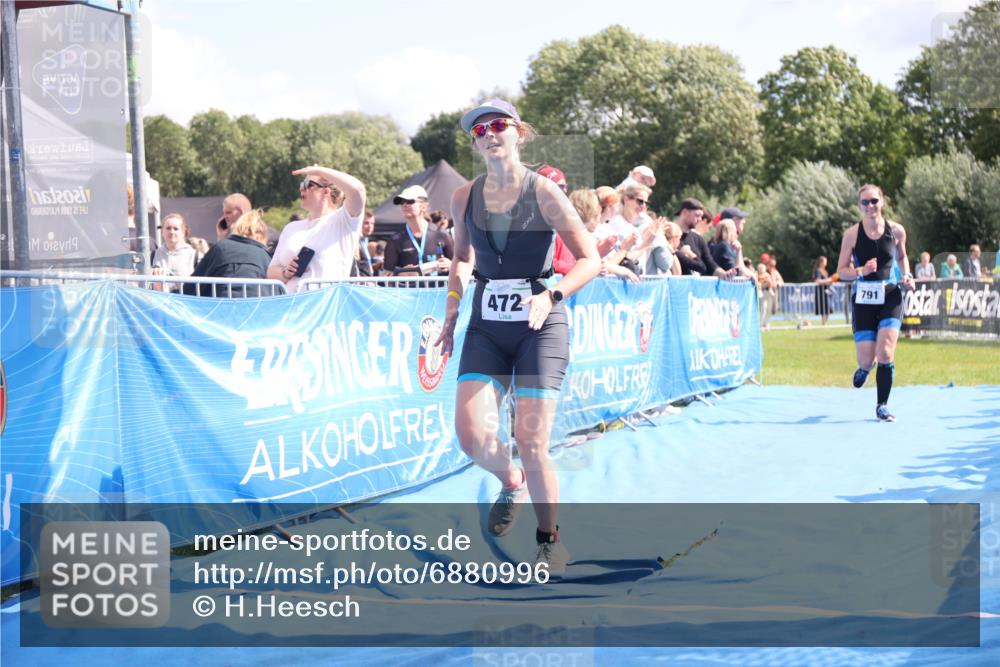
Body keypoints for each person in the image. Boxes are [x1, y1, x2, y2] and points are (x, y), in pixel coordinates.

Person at [435, 99, 600, 574]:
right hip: (487, 324)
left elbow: (589, 259)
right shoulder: (464, 196)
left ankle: (549, 540)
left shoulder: (544, 191)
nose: (489, 133)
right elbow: (462, 258)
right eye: (479, 130)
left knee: (531, 441)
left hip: (539, 326)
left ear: (519, 132)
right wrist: (452, 307)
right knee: (471, 437)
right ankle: (512, 482)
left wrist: (552, 295)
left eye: (498, 125)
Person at [836, 184, 915, 422]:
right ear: (859, 205)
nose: (870, 206)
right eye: (865, 202)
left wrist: (907, 275)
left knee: (886, 352)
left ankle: (882, 405)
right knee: (866, 359)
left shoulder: (896, 231)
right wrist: (861, 270)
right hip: (864, 299)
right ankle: (864, 368)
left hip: (890, 296)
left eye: (874, 201)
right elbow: (841, 271)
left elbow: (902, 256)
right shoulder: (852, 235)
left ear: (882, 201)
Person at [267, 165, 366, 292]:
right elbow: (271, 271)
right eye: (301, 185)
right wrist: (285, 273)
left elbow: (358, 190)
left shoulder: (343, 220)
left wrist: (319, 170)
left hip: (326, 303)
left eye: (308, 184)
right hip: (292, 302)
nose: (302, 189)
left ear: (326, 192)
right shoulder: (291, 228)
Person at [184, 209, 272, 297]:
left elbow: (191, 287)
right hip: (257, 304)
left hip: (222, 303)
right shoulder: (265, 256)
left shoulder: (221, 247)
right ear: (261, 237)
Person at [382, 185, 454, 278]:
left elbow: (460, 264)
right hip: (410, 288)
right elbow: (386, 276)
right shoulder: (396, 239)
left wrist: (450, 265)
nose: (404, 205)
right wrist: (402, 274)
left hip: (438, 287)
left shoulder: (441, 234)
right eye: (402, 202)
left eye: (410, 201)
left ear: (424, 206)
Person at [674, 198, 733, 278]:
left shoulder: (697, 238)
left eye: (701, 216)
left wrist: (725, 274)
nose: (700, 219)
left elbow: (710, 264)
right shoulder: (669, 235)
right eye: (697, 215)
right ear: (685, 212)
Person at [151, 214, 199, 290]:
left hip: (184, 297)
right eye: (168, 228)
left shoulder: (194, 255)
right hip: (159, 297)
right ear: (162, 231)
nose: (172, 232)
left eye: (176, 229)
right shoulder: (154, 254)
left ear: (183, 232)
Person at [356, 209, 378, 277]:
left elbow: (364, 265)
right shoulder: (355, 242)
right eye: (366, 223)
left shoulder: (365, 241)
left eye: (372, 223)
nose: (370, 226)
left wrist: (376, 266)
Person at [813, 255, 834, 326]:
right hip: (821, 293)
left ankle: (824, 323)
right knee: (824, 309)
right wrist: (828, 280)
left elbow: (826, 281)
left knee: (828, 309)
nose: (826, 263)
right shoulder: (818, 270)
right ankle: (823, 324)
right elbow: (817, 281)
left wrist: (831, 281)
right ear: (820, 262)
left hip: (826, 292)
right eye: (825, 262)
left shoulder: (825, 271)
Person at [757, 262, 775, 330]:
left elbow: (771, 284)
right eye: (760, 268)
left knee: (769, 309)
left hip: (768, 292)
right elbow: (758, 284)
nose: (761, 269)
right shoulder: (756, 275)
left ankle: (767, 324)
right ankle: (761, 324)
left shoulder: (767, 275)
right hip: (762, 293)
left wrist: (768, 282)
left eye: (762, 268)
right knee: (763, 309)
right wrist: (761, 282)